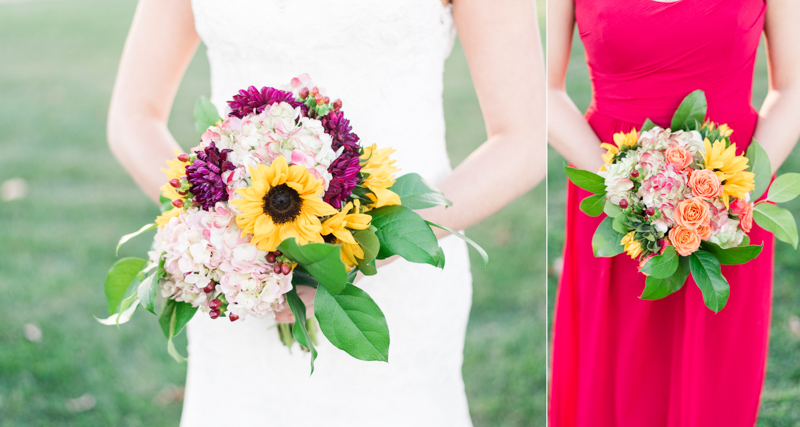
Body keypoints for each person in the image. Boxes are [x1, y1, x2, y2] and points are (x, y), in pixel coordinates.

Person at [107, 0, 544, 425]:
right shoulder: (234, 256)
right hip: (244, 281)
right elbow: (134, 115)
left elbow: (521, 143)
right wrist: (216, 237)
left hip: (396, 274)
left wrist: (356, 252)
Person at [548, 0, 800, 425]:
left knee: (715, 384)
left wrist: (733, 194)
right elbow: (542, 89)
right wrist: (627, 189)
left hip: (729, 202)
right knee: (615, 381)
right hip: (615, 198)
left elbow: (792, 86)